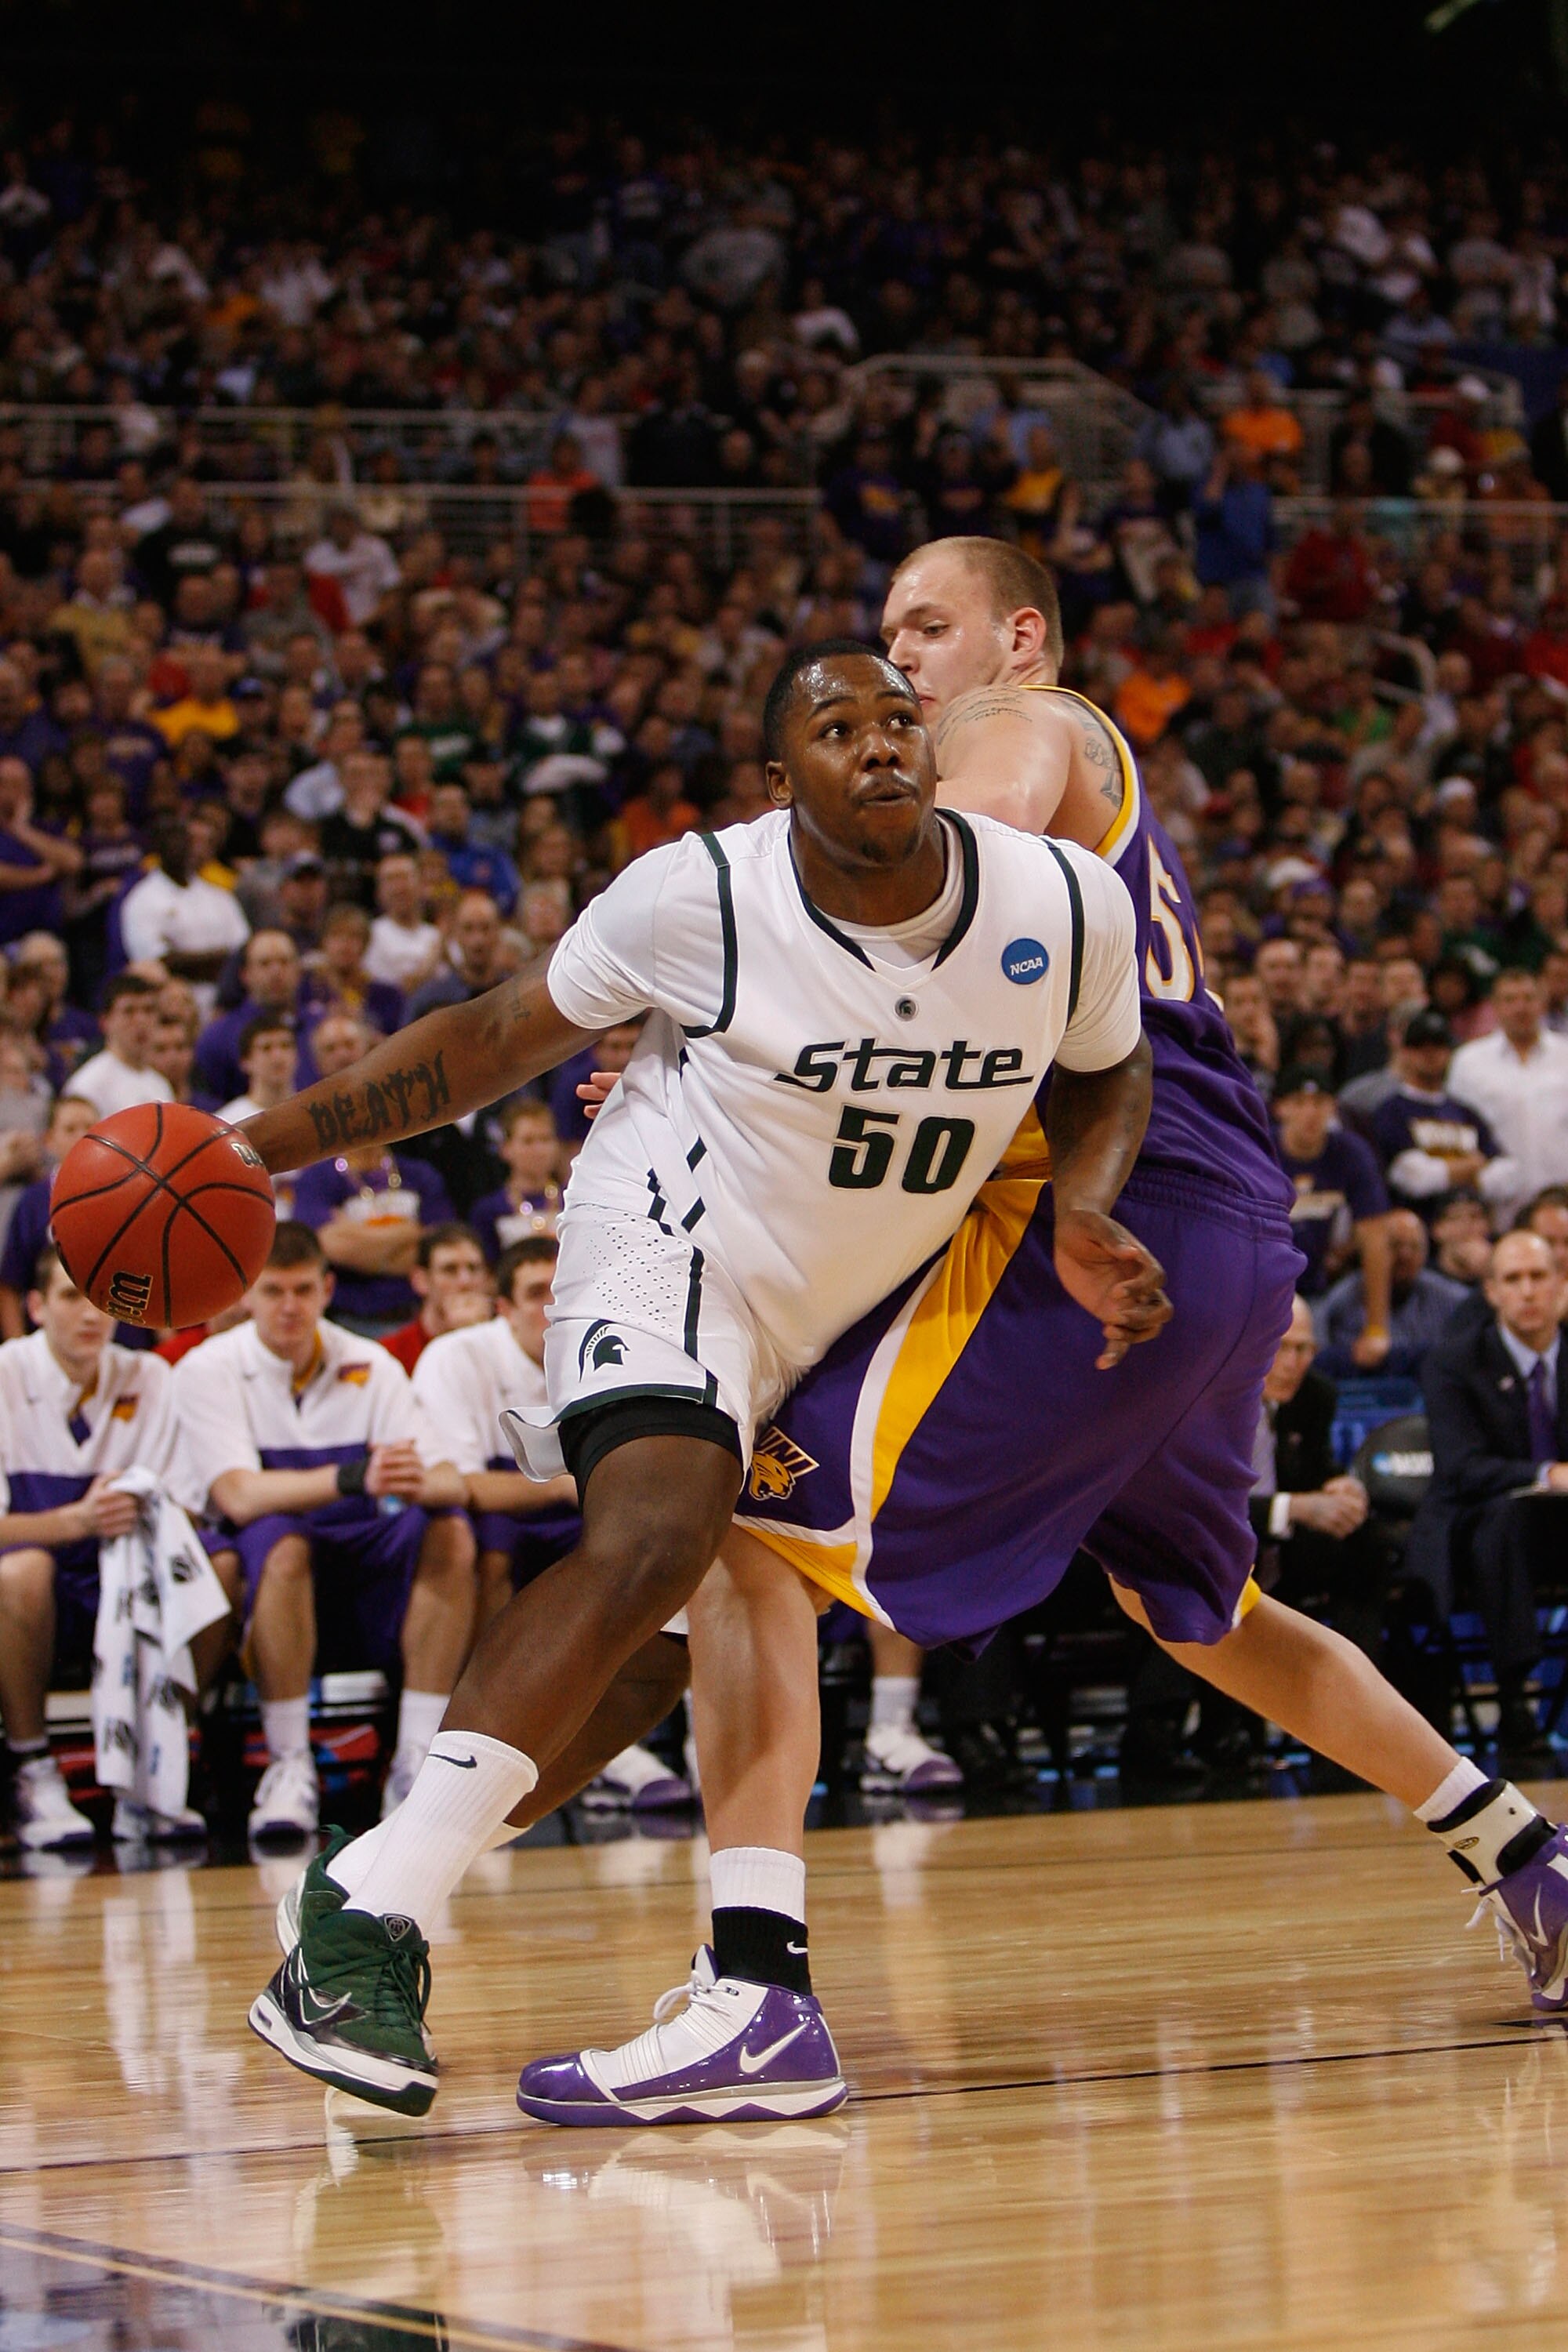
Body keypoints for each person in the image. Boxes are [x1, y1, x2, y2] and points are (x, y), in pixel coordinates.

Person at [516, 542, 1568, 2125]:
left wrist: (740, 1014)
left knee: (735, 1528)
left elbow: (957, 876)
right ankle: (1526, 1857)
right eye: (878, 636)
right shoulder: (1040, 798)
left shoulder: (1034, 722)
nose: (900, 666)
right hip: (1219, 1238)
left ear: (1014, 634)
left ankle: (756, 1993)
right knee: (1201, 1612)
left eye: (925, 630)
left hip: (1100, 1224)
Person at [241, 639, 1162, 2114]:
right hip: (666, 1241)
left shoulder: (1058, 902)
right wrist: (255, 1148)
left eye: (897, 720)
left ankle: (376, 1892)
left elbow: (1110, 1068)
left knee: (680, 1642)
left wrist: (1087, 1204)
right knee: (663, 1526)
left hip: (838, 1310)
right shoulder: (701, 893)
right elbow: (484, 1042)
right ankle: (365, 1927)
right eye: (835, 727)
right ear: (777, 779)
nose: (876, 743)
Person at [172, 1221, 474, 1838]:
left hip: (360, 1546)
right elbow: (238, 1494)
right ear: (248, 1296)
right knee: (281, 1544)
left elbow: (451, 1479)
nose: (289, 1307)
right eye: (274, 1291)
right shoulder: (208, 1368)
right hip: (265, 1559)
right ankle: (289, 1765)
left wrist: (406, 1474)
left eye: (303, 1290)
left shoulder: (370, 1362)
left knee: (453, 1532)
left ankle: (415, 1760)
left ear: (327, 1289)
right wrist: (353, 1476)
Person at [0, 1249, 235, 1848]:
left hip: (126, 1574)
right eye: (69, 1297)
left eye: (102, 1299)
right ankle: (32, 1770)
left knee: (222, 1565)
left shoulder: (149, 1375)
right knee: (20, 1573)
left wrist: (142, 1503)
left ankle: (162, 1760)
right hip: (43, 1579)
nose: (89, 1315)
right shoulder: (6, 1374)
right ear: (34, 1307)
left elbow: (186, 1506)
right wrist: (77, 1519)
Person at [1417, 1229, 1568, 1756]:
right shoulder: (1453, 1363)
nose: (1528, 1291)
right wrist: (1548, 1474)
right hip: (1483, 1522)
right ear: (1492, 1293)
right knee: (1504, 1526)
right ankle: (1513, 1699)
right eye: (1513, 1279)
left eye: (1538, 1277)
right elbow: (1460, 1469)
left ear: (1561, 1284)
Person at [1271, 1063, 1395, 1357]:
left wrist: (1377, 1328)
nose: (1310, 1113)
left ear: (1333, 1108)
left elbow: (1375, 1237)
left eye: (1319, 1103)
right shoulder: (1261, 1149)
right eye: (1299, 1103)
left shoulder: (1351, 1152)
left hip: (1329, 1285)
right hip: (1270, 1284)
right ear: (1281, 1108)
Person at [1368, 1009, 1520, 1221]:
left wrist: (1446, 1173)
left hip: (1471, 1226)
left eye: (1438, 1046)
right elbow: (1411, 1179)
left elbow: (1508, 1176)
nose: (1430, 1054)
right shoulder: (1391, 1112)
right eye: (1420, 1046)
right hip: (1417, 1230)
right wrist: (1471, 1168)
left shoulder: (1465, 1112)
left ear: (1449, 1052)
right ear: (1404, 1052)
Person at [1448, 969, 1568, 1227]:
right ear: (1495, 1006)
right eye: (1510, 1000)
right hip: (1497, 1208)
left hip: (1562, 1203)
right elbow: (1457, 1131)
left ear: (1542, 1002)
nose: (1520, 1008)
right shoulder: (1469, 1062)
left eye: (1528, 998)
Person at [1314, 1207, 1470, 1378]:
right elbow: (1318, 1352)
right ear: (1375, 1252)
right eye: (1396, 1245)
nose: (1405, 1254)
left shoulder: (1446, 1295)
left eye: (1414, 1247)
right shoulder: (1345, 1295)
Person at [118, 813, 249, 1006]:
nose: (181, 847)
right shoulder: (142, 900)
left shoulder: (219, 897)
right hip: (170, 1005)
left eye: (186, 840)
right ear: (158, 847)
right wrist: (221, 956)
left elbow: (243, 953)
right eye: (173, 840)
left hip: (226, 1000)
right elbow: (158, 964)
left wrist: (184, 955)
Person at [194, 928, 303, 1103]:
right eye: (265, 964)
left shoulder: (319, 1025)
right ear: (245, 975)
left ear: (299, 971)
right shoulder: (218, 1037)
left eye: (284, 962)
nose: (276, 972)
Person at [380, 1222, 492, 1374]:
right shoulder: (390, 1354)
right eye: (450, 1270)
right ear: (421, 1281)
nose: (465, 1281)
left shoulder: (508, 1344)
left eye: (473, 1268)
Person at [469, 1098, 564, 1260]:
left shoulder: (573, 1200)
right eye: (528, 1141)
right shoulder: (489, 1210)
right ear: (506, 1148)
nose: (539, 1150)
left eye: (545, 1139)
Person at [71, 972, 174, 1118]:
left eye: (148, 1010)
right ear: (105, 1022)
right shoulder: (89, 1085)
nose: (140, 1020)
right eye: (129, 1011)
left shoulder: (160, 1083)